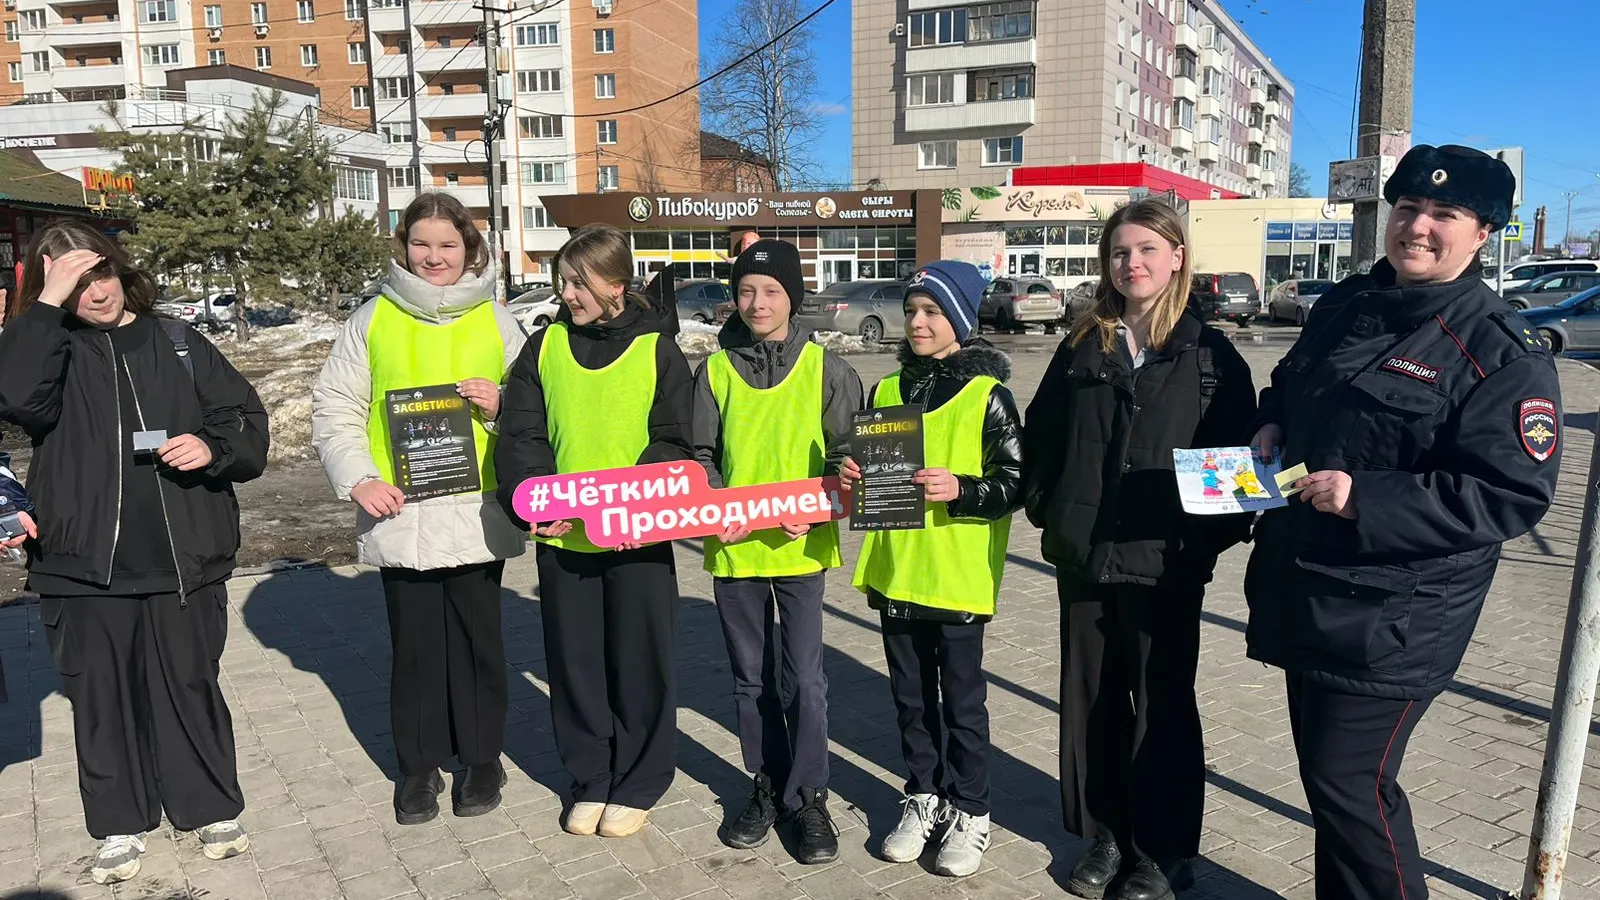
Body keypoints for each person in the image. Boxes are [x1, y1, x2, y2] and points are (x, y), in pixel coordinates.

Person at [1244, 145, 1561, 899]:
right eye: (1409, 207)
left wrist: (1366, 498)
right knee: (1330, 785)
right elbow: (1291, 384)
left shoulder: (1498, 350)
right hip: (1307, 584)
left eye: (1444, 214)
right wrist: (1270, 421)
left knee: (1352, 785)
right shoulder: (1347, 304)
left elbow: (1509, 494)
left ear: (1484, 232)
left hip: (1396, 615)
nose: (1418, 226)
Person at [0, 219, 269, 884]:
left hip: (184, 558)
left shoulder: (176, 340)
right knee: (100, 699)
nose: (96, 293)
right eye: (75, 284)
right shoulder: (49, 348)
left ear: (120, 270)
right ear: (50, 290)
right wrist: (44, 308)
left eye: (102, 274)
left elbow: (245, 420)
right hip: (81, 565)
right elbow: (17, 400)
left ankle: (208, 807)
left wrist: (214, 448)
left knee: (189, 686)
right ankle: (118, 822)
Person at [1022, 200, 1257, 900]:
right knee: (1092, 701)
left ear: (1177, 257)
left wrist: (1199, 542)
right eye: (1120, 252)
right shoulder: (1082, 345)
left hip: (1165, 562)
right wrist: (1050, 508)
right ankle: (1106, 835)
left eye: (1148, 249)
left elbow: (1241, 466)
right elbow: (1042, 436)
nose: (1133, 263)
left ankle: (1162, 850)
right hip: (1085, 555)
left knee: (1163, 705)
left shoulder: (1210, 356)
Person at [312, 193, 528, 826]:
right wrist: (358, 478)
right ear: (403, 247)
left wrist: (502, 404)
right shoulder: (372, 318)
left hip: (476, 510)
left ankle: (482, 759)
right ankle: (418, 766)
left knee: (478, 644)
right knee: (415, 651)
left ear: (470, 249)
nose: (434, 257)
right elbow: (336, 405)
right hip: (400, 510)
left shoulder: (497, 320)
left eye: (448, 245)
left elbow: (536, 404)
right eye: (422, 244)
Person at [495, 223, 693, 839]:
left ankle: (638, 781)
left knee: (639, 662)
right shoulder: (545, 347)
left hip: (638, 540)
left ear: (616, 284)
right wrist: (533, 499)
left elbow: (674, 440)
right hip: (565, 538)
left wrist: (640, 507)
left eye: (579, 282)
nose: (567, 294)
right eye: (563, 281)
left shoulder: (658, 350)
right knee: (575, 664)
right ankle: (592, 777)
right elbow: (522, 434)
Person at [844, 260, 1022, 878]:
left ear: (962, 320)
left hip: (956, 574)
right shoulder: (887, 391)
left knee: (962, 705)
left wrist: (962, 489)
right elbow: (871, 474)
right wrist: (853, 474)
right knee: (911, 700)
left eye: (933, 312)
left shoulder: (987, 396)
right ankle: (923, 795)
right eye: (912, 310)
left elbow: (1015, 481)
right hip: (897, 569)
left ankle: (971, 809)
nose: (918, 323)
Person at [691, 239, 863, 863]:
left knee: (805, 682)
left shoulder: (827, 370)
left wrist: (819, 506)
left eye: (770, 291)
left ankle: (808, 797)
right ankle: (766, 784)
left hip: (800, 549)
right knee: (750, 681)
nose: (757, 302)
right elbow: (700, 458)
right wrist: (716, 508)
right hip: (736, 550)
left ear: (793, 297)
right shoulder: (712, 371)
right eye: (745, 290)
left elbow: (851, 460)